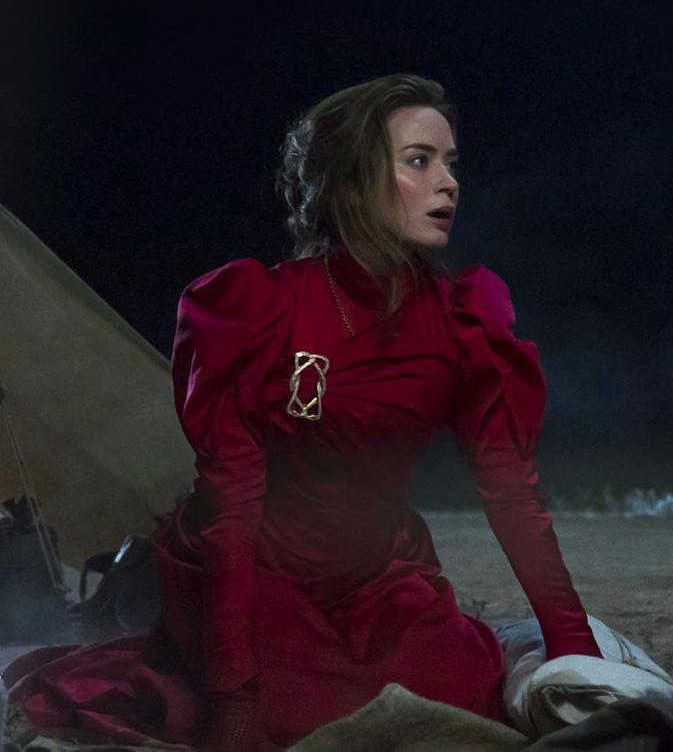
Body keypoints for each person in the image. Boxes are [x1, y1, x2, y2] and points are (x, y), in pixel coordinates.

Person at [3, 74, 603, 749]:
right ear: (350, 184)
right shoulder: (259, 309)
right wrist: (233, 694)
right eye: (419, 161)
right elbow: (231, 506)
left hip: (377, 571)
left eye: (450, 163)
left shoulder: (464, 320)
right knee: (298, 711)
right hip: (251, 568)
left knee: (455, 691)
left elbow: (511, 492)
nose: (448, 183)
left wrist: (574, 646)